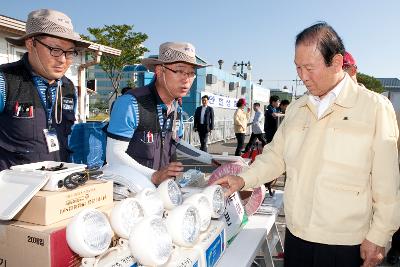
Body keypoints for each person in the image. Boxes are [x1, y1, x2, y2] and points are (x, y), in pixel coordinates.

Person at [214, 22, 400, 267]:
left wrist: (379, 236)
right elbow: (275, 156)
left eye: (309, 68)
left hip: (345, 243)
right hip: (297, 235)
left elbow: (387, 183)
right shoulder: (298, 108)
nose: (302, 76)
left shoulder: (374, 108)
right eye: (297, 67)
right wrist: (243, 179)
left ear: (336, 62)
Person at [106, 42, 207, 187]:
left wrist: (211, 160)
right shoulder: (130, 103)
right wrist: (153, 176)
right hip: (129, 192)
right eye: (179, 71)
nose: (186, 79)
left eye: (191, 73)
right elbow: (113, 155)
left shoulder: (176, 108)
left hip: (162, 192)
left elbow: (176, 143)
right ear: (159, 71)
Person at [0, 9, 90, 171]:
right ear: (31, 43)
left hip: (57, 187)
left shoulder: (68, 88)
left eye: (69, 52)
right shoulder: (4, 80)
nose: (63, 60)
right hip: (14, 191)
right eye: (55, 50)